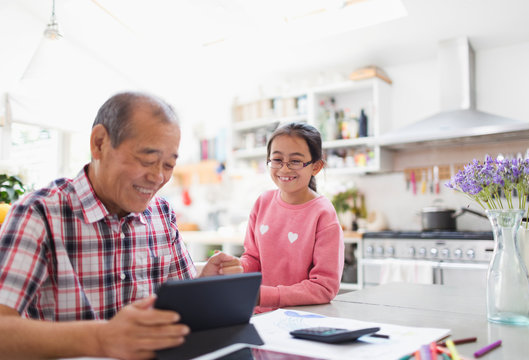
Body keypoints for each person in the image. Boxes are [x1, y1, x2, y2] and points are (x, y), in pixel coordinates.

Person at [0, 91, 243, 359]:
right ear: (99, 143)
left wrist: (206, 289)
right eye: (147, 160)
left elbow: (179, 306)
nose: (158, 177)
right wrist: (101, 339)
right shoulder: (39, 214)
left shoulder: (161, 213)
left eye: (169, 165)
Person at [240, 122, 344, 313]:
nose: (285, 169)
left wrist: (263, 295)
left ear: (316, 167)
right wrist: (237, 268)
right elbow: (253, 258)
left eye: (295, 161)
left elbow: (324, 287)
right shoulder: (263, 202)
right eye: (277, 159)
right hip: (258, 316)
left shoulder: (322, 213)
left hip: (302, 320)